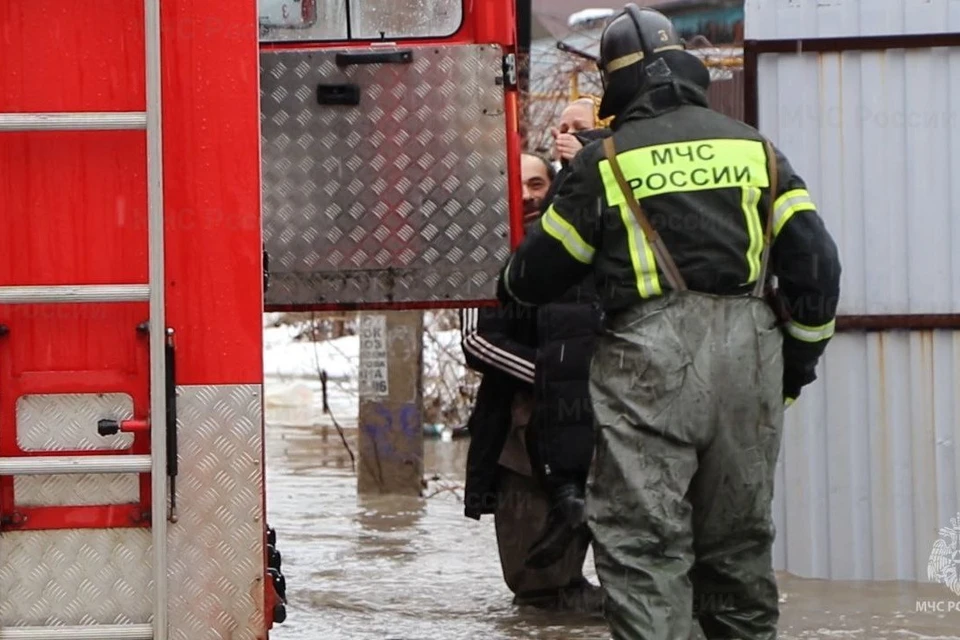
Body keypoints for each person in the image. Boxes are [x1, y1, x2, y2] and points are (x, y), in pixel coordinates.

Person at [495, 5, 842, 640]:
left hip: (647, 367)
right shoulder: (757, 151)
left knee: (645, 550)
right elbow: (817, 265)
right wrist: (794, 366)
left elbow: (534, 278)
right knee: (738, 549)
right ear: (687, 70)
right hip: (750, 360)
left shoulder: (608, 162)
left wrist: (518, 270)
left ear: (617, 85)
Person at [460, 152, 600, 613]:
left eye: (537, 184)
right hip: (518, 429)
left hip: (597, 419)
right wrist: (555, 378)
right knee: (539, 581)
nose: (526, 196)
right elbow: (478, 341)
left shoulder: (589, 243)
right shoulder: (485, 250)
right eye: (516, 185)